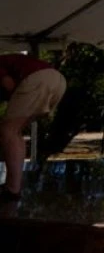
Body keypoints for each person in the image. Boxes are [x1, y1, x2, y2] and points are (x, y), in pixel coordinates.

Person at [1, 53, 66, 199]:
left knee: (8, 131)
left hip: (38, 79)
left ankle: (12, 189)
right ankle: (13, 186)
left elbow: (9, 85)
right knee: (14, 132)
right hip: (58, 81)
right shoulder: (9, 61)